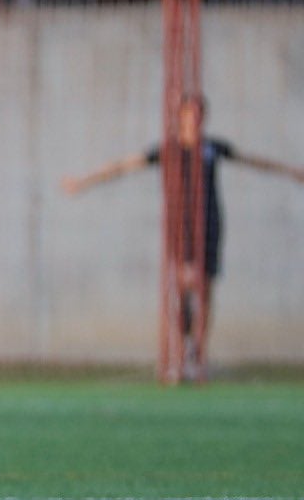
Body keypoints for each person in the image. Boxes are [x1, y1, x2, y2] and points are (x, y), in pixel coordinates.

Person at [62, 95, 304, 377]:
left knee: (205, 289)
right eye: (189, 115)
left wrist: (291, 171)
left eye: (199, 115)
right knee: (181, 288)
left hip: (209, 225)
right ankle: (180, 349)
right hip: (180, 228)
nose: (194, 120)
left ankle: (198, 354)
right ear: (181, 118)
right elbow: (123, 166)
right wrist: (83, 182)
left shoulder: (212, 148)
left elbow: (253, 161)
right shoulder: (169, 150)